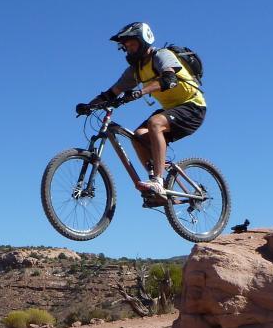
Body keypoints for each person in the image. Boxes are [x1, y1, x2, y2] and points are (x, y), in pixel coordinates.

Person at [76, 22, 207, 201]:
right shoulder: (135, 71)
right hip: (172, 110)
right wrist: (89, 106)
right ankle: (157, 186)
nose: (128, 49)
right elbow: (111, 93)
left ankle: (158, 182)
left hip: (193, 106)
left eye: (132, 44)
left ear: (144, 40)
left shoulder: (161, 55)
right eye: (126, 46)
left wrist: (141, 91)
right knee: (137, 136)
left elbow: (169, 79)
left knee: (155, 123)